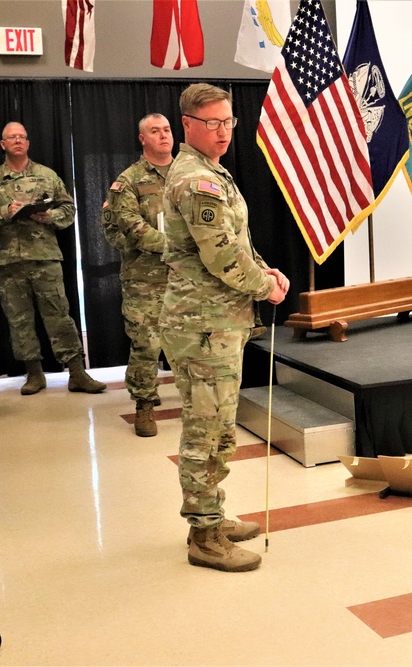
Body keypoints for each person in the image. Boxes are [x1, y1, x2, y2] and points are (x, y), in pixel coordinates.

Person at [161, 84, 289, 573]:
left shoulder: (213, 173)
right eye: (211, 123)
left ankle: (211, 513)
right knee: (205, 430)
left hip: (216, 322)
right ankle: (204, 535)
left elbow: (237, 242)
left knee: (218, 427)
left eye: (228, 122)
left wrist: (266, 271)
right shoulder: (196, 181)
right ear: (188, 124)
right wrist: (266, 287)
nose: (221, 132)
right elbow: (220, 257)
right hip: (202, 326)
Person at [0, 122, 106, 395]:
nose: (17, 141)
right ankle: (34, 373)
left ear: (28, 143)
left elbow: (69, 208)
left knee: (59, 315)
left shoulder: (47, 175)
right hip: (8, 263)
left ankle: (77, 372)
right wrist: (4, 211)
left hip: (44, 258)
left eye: (22, 137)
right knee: (19, 319)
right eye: (11, 137)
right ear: (3, 144)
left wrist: (49, 215)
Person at [102, 114, 175, 437]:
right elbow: (129, 226)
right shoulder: (128, 181)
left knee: (194, 342)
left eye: (167, 130)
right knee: (146, 343)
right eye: (154, 131)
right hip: (145, 278)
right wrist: (174, 246)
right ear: (142, 139)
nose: (163, 136)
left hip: (188, 275)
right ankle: (144, 404)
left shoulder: (189, 172)